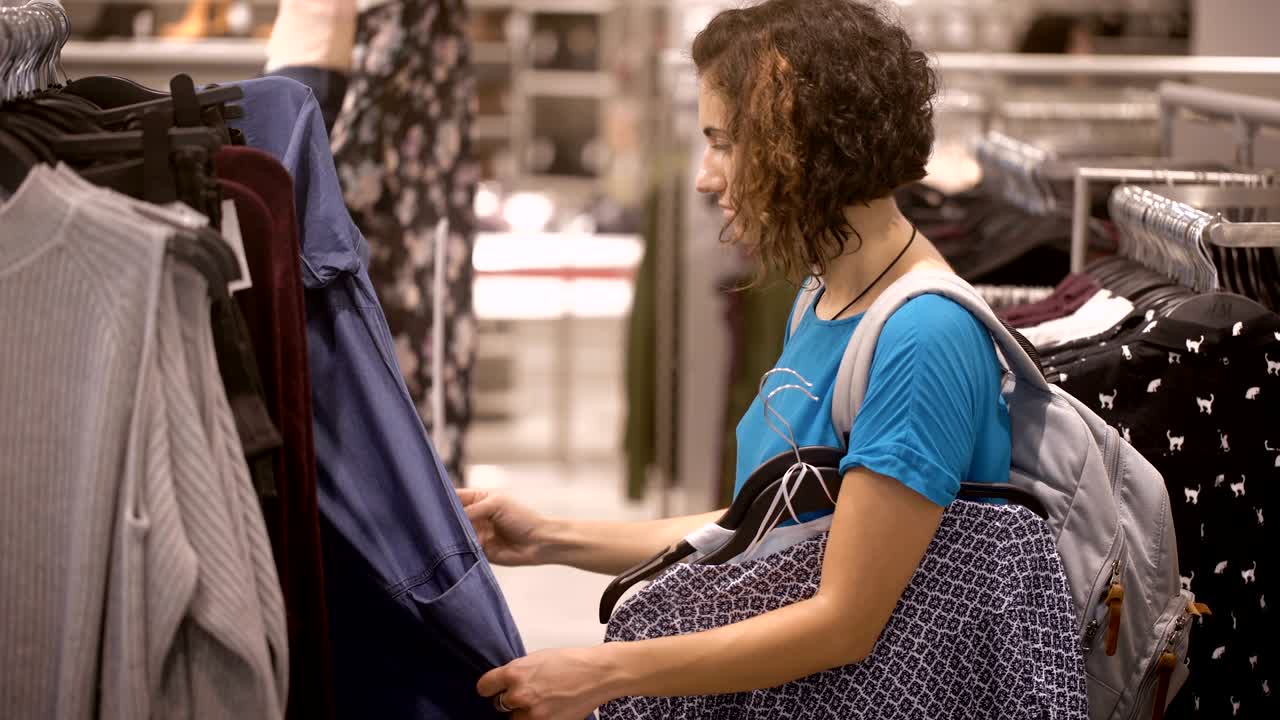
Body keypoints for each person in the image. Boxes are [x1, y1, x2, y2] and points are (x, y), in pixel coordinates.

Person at [459, 1, 1012, 717]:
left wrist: (605, 672)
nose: (704, 177)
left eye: (723, 143)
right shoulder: (823, 293)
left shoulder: (923, 338)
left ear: (806, 143)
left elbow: (845, 622)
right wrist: (550, 538)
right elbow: (774, 532)